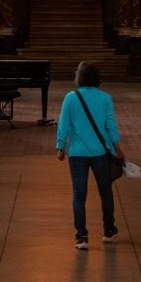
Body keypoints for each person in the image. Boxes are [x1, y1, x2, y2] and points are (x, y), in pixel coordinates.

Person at [55, 61, 121, 250]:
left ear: (79, 76)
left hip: (77, 153)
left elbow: (64, 124)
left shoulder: (70, 97)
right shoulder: (105, 98)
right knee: (106, 192)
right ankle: (109, 230)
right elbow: (111, 125)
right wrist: (117, 147)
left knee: (79, 196)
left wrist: (61, 147)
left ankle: (81, 237)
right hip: (100, 153)